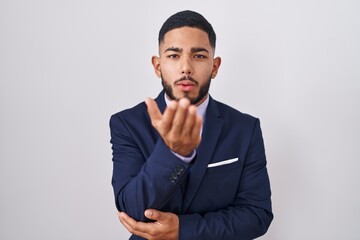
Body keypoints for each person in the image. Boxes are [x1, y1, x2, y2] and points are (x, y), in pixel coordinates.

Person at [110, 10, 273, 240]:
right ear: (157, 66)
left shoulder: (245, 129)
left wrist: (182, 230)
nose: (186, 67)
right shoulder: (127, 124)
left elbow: (257, 215)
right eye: (174, 56)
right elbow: (133, 210)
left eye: (198, 56)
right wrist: (174, 153)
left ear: (215, 67)